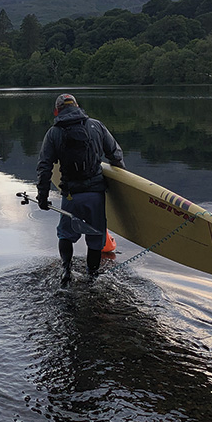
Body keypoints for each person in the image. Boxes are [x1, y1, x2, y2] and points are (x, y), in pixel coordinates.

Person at [36, 93, 125, 287]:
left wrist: (42, 196)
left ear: (56, 111)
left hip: (71, 195)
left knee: (65, 234)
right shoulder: (96, 126)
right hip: (95, 194)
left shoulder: (53, 133)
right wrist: (123, 183)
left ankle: (66, 270)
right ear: (77, 106)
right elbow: (115, 154)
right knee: (95, 238)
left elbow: (45, 167)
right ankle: (92, 278)